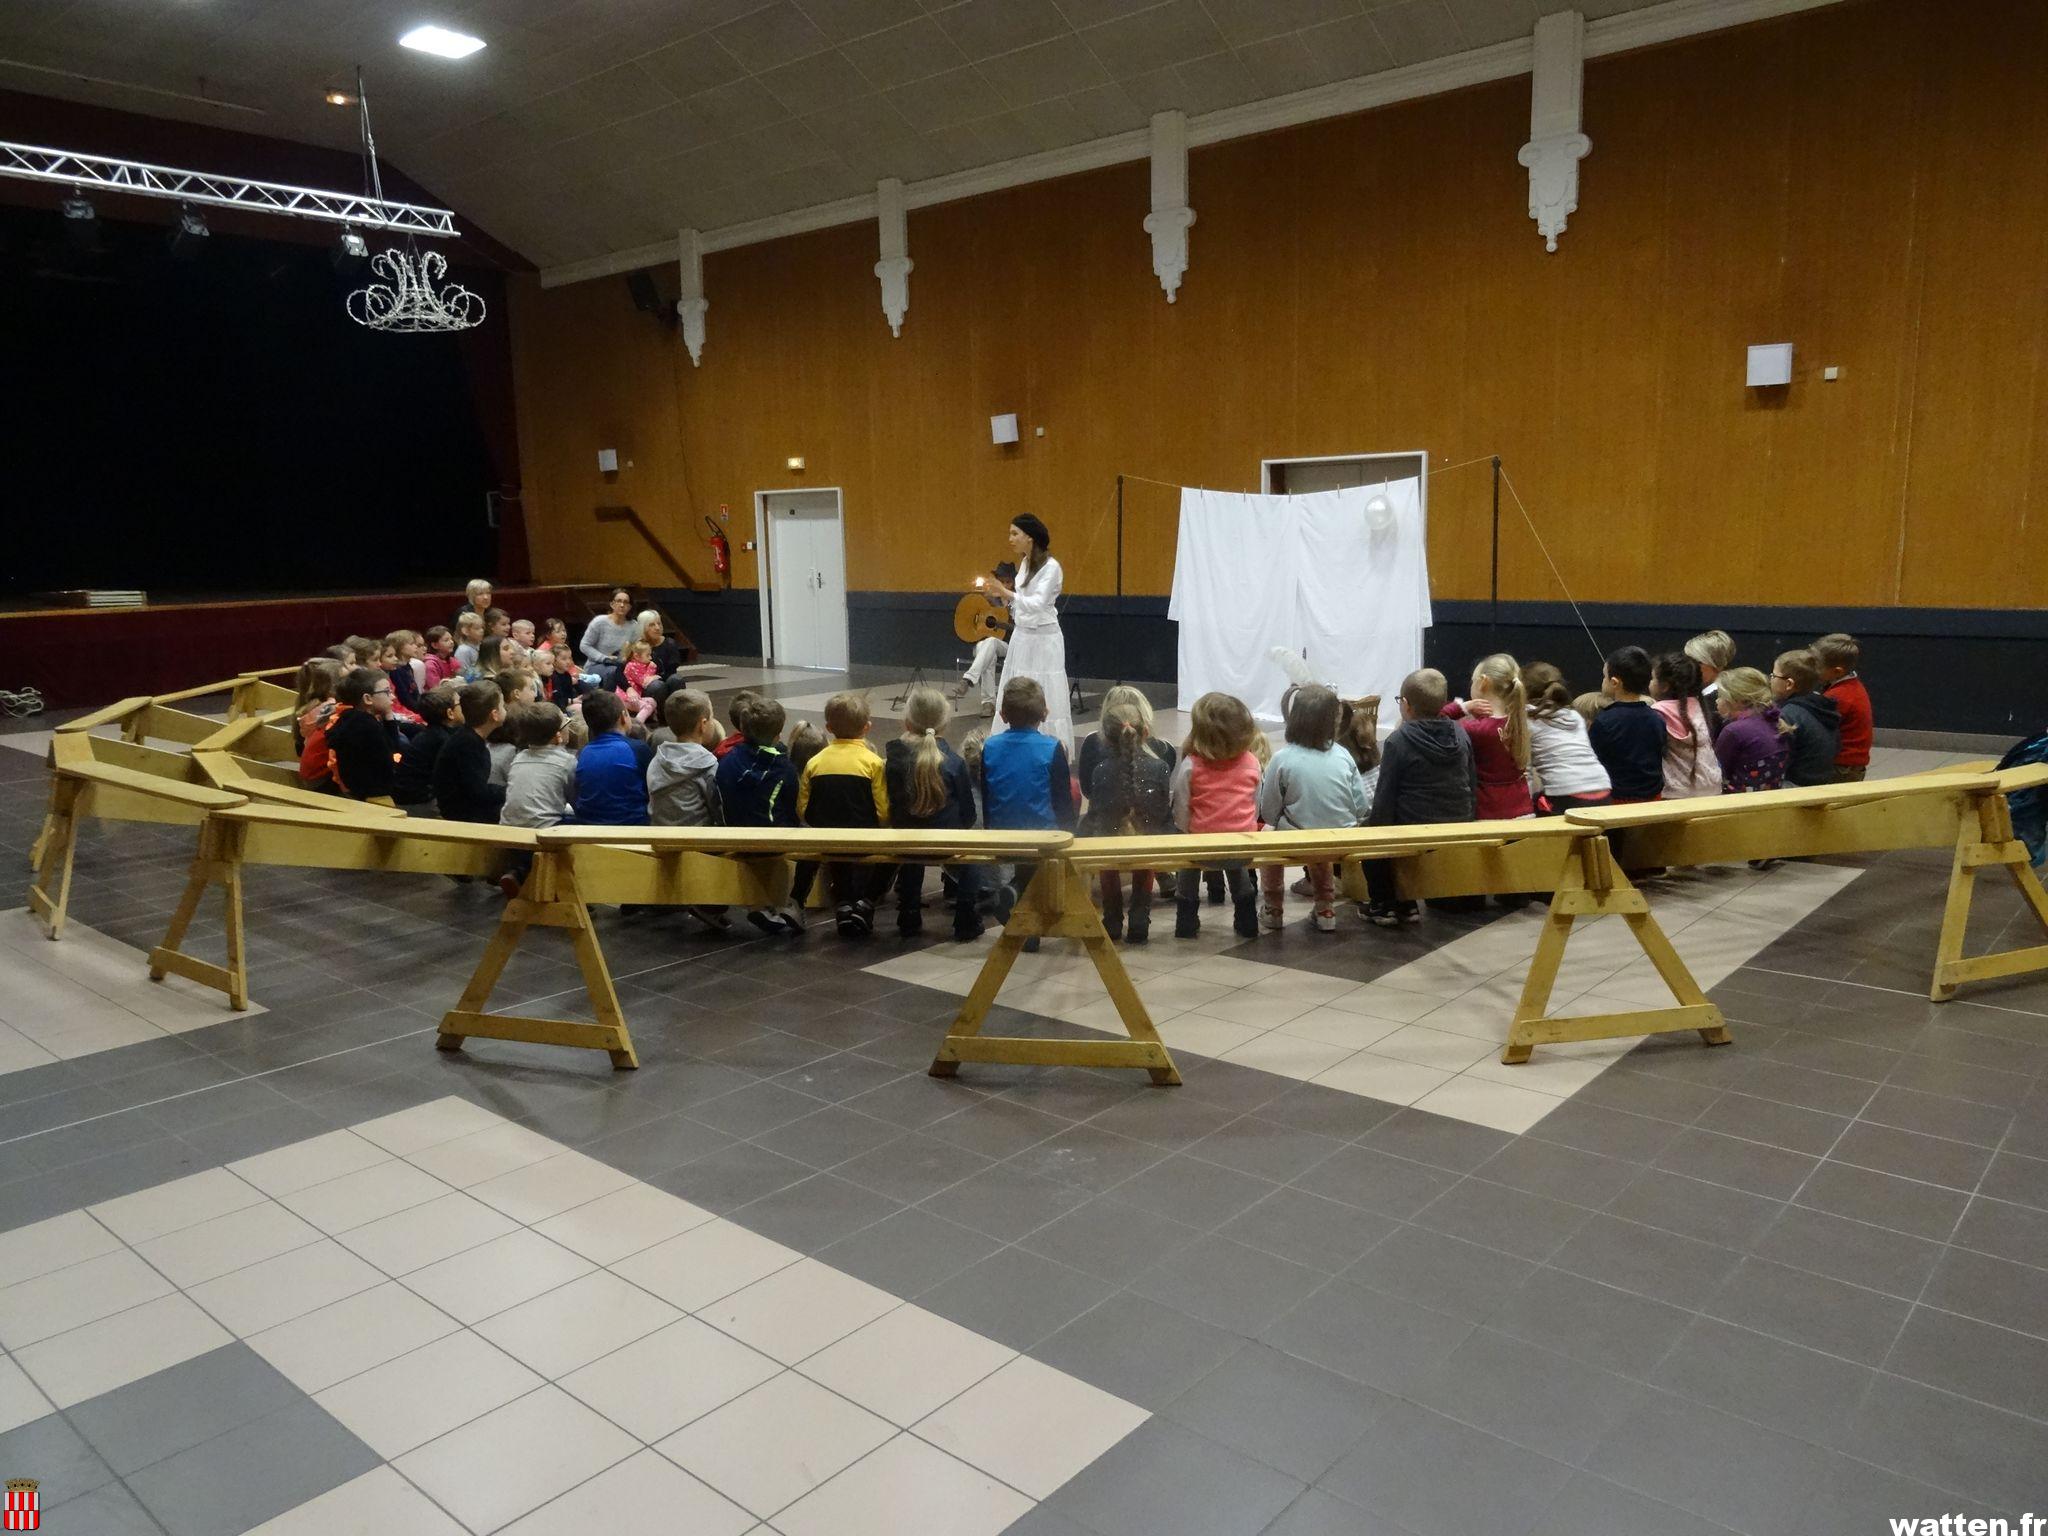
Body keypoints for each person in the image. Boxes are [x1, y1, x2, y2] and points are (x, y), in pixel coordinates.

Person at [1364, 668, 1476, 926]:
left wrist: (1376, 831)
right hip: (1458, 821)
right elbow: (1471, 781)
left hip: (1415, 825)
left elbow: (1385, 796)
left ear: (1406, 705)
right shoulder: (1461, 734)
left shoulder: (1397, 741)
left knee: (1368, 836)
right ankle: (1407, 903)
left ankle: (1385, 903)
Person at [1258, 683, 1369, 933]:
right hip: (1343, 838)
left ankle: (1273, 908)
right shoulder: (1343, 755)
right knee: (1321, 840)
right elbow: (1361, 805)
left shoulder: (1282, 758)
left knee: (1269, 839)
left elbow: (1269, 810)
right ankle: (1325, 908)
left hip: (1301, 838)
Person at [980, 677, 1077, 948]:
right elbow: (1062, 801)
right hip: (1042, 834)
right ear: (1044, 714)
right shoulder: (1052, 748)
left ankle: (1019, 905)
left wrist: (991, 831)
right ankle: (1017, 898)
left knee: (1028, 865)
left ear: (1002, 715)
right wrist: (1071, 833)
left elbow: (988, 794)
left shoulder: (990, 746)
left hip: (1001, 831)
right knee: (1041, 864)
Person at [886, 685, 983, 940]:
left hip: (905, 842)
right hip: (946, 843)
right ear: (945, 724)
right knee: (973, 861)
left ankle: (908, 913)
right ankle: (966, 919)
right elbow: (968, 814)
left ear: (907, 722)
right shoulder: (955, 763)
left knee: (911, 851)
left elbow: (892, 807)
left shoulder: (895, 761)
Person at [1168, 690, 1264, 939]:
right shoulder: (1252, 761)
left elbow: (1181, 806)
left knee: (1187, 871)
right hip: (1241, 845)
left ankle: (1186, 923)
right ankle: (1247, 922)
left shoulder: (1192, 764)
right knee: (1238, 873)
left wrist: (1188, 831)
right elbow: (1256, 802)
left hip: (1201, 844)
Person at [799, 692, 894, 938]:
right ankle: (866, 902)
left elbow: (802, 807)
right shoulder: (873, 763)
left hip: (827, 837)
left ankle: (842, 904)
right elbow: (882, 808)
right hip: (864, 837)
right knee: (892, 856)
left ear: (828, 728)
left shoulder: (815, 763)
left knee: (837, 858)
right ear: (867, 727)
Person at [1079, 700, 1174, 943]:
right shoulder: (1160, 767)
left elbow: (1096, 814)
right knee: (1147, 837)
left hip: (1110, 842)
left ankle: (1112, 917)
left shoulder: (1100, 769)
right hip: (1149, 840)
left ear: (1106, 739)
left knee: (1105, 840)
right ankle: (1140, 916)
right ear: (1145, 732)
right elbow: (1163, 812)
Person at [715, 696, 805, 936]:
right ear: (779, 732)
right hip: (771, 840)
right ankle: (793, 902)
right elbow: (791, 808)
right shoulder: (783, 768)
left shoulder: (727, 761)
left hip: (733, 833)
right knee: (809, 837)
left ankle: (759, 903)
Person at [986, 516, 1072, 756]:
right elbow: (1023, 605)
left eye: (1015, 534)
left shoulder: (1052, 567)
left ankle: (1048, 750)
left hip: (1044, 639)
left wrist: (1006, 592)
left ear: (1029, 537)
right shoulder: (1024, 564)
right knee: (1018, 687)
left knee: (1043, 689)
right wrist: (1006, 600)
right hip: (1023, 637)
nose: (1010, 539)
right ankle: (1016, 742)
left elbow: (1037, 603)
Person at [496, 702, 577, 896]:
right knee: (575, 823)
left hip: (508, 827)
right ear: (558, 735)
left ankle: (518, 872)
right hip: (543, 832)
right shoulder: (566, 762)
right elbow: (575, 798)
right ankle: (564, 888)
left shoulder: (519, 757)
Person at [1441, 653, 1534, 820]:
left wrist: (1462, 708)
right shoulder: (1519, 721)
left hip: (1490, 815)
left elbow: (1432, 722)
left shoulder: (1475, 729)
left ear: (1483, 682)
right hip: (1523, 810)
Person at [1520, 663, 1610, 813]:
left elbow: (1526, 773)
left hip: (1568, 797)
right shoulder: (1573, 715)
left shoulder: (1525, 718)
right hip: (1604, 790)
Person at [1589, 645, 1664, 804]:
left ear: (1615, 682)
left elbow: (1593, 761)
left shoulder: (1604, 721)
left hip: (1618, 801)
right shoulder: (1657, 718)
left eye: (1604, 676)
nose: (1603, 680)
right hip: (1654, 798)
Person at [574, 689, 654, 827]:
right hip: (632, 829)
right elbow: (652, 790)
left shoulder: (582, 753)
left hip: (589, 830)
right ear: (623, 717)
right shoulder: (638, 749)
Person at [433, 681, 508, 825]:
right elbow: (478, 792)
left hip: (464, 808)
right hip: (461, 816)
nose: (506, 709)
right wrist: (511, 791)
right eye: (503, 706)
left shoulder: (468, 737)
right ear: (495, 715)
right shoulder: (468, 744)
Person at [1650, 652, 1722, 798]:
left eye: (1652, 678)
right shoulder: (1700, 706)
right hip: (1712, 787)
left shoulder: (1656, 713)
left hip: (1676, 793)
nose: (1649, 683)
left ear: (1664, 686)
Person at [324, 668, 402, 801]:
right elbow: (393, 757)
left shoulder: (352, 718)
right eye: (387, 692)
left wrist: (388, 716)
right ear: (367, 698)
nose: (393, 697)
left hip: (360, 789)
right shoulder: (366, 727)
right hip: (371, 795)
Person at [648, 690, 722, 828]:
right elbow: (717, 808)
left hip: (661, 838)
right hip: (698, 843)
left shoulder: (657, 760)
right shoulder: (707, 764)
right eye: (712, 717)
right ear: (703, 725)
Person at [951, 561, 1015, 717]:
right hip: (987, 645)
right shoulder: (987, 600)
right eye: (1002, 581)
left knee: (990, 644)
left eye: (1008, 582)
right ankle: (988, 704)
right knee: (988, 648)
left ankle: (968, 680)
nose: (1005, 585)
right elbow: (971, 616)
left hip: (1011, 646)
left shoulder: (1017, 601)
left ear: (1013, 583)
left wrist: (1009, 625)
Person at [1713, 666, 1792, 792]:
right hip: (1771, 798)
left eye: (1720, 696)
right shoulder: (1774, 720)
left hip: (1739, 803)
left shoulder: (1734, 731)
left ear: (1736, 700)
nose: (1717, 701)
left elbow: (1717, 771)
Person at [1772, 648, 1840, 786]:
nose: (1771, 680)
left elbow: (1779, 760)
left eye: (1773, 676)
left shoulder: (1789, 714)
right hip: (1820, 783)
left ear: (1789, 684)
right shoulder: (1823, 706)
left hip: (1795, 786)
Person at [1813, 632, 1872, 782]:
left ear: (1837, 671)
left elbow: (1816, 730)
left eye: (1816, 667)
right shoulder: (1853, 685)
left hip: (1842, 766)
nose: (1812, 670)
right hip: (1853, 764)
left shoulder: (1837, 697)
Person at [394, 684, 461, 811]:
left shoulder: (434, 733)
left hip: (413, 797)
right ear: (450, 713)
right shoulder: (441, 739)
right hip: (416, 802)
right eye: (460, 703)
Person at [293, 657, 346, 788]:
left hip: (314, 774)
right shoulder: (330, 709)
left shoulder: (313, 705)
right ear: (333, 687)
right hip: (320, 778)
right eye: (347, 680)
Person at [1685, 630, 1736, 741]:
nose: (1689, 667)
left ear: (1717, 665)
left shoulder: (1719, 700)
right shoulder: (1700, 696)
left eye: (1697, 662)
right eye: (1687, 661)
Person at [580, 588, 639, 684]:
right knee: (613, 672)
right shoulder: (599, 622)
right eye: (619, 601)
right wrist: (604, 658)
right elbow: (584, 645)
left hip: (621, 666)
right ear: (612, 604)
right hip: (596, 665)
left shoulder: (634, 626)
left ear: (630, 607)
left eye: (626, 602)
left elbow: (634, 648)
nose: (622, 605)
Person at [617, 641, 659, 724]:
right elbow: (644, 682)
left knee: (652, 701)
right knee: (647, 706)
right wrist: (652, 669)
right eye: (647, 655)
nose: (650, 658)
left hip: (636, 696)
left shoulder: (641, 665)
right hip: (625, 698)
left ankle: (650, 720)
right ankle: (637, 725)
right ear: (636, 656)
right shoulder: (631, 666)